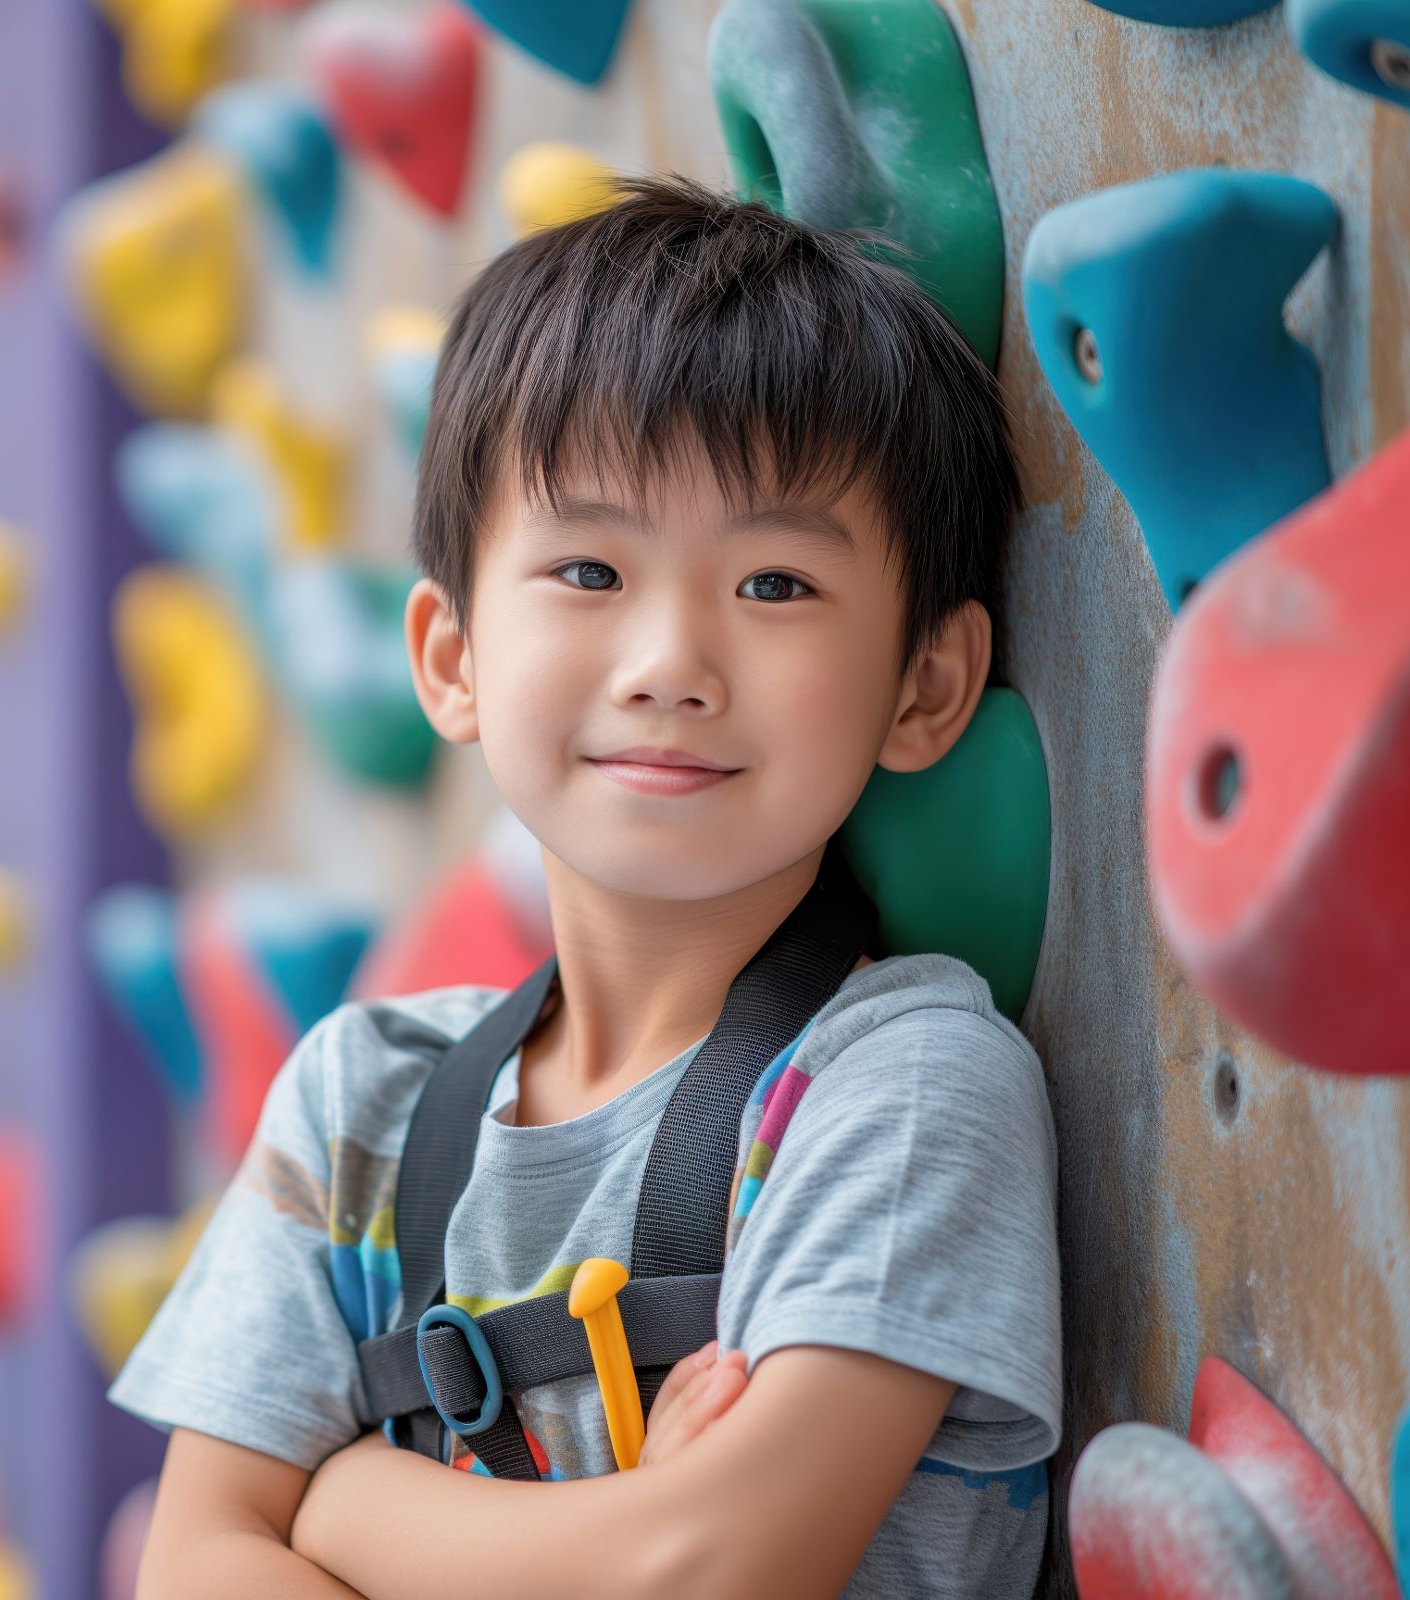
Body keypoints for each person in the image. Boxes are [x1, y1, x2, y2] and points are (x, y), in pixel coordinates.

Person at [110, 172, 1061, 1599]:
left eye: (777, 586)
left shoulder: (904, 1086)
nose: (669, 662)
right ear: (450, 660)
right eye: (588, 567)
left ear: (925, 684)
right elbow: (192, 1567)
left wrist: (351, 1507)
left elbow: (701, 1567)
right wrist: (620, 1524)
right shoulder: (359, 1103)